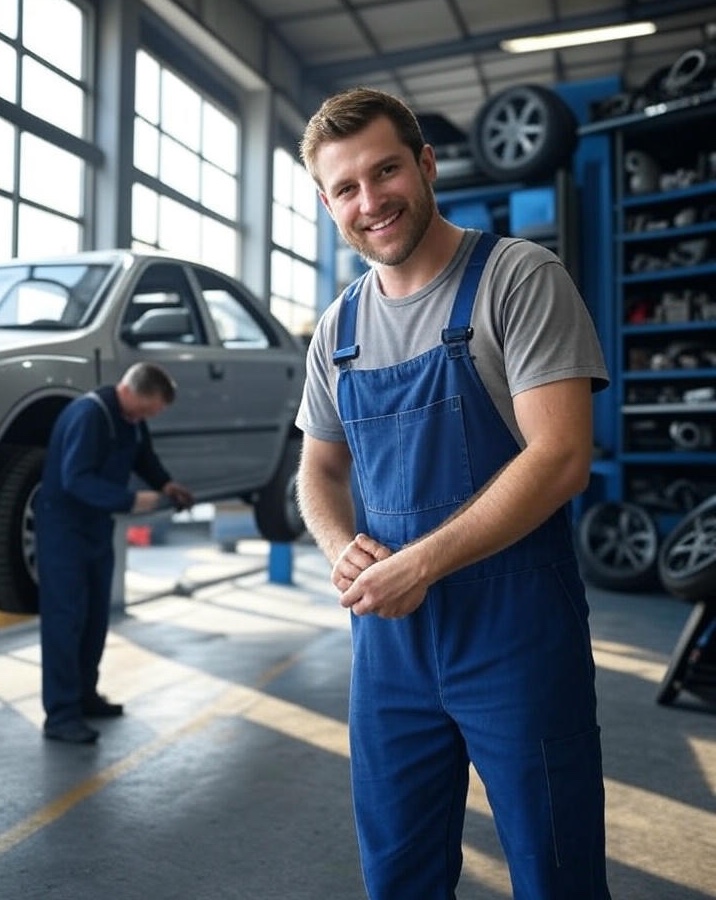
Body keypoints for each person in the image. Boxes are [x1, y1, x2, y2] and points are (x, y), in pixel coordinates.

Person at [295, 87, 612, 899]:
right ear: (327, 204)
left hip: (516, 638)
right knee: (399, 873)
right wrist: (341, 549)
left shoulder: (517, 279)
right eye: (346, 188)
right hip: (389, 648)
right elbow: (319, 471)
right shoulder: (338, 330)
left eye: (387, 170)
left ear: (427, 165)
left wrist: (421, 565)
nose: (372, 201)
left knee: (556, 873)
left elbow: (563, 455)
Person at [36, 362, 194, 745]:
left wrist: (165, 483)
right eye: (151, 408)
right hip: (64, 531)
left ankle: (85, 697)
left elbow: (143, 456)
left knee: (93, 619)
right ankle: (60, 714)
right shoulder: (90, 415)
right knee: (65, 619)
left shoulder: (130, 418)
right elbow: (75, 478)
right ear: (132, 390)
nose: (151, 416)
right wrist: (130, 499)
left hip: (95, 528)